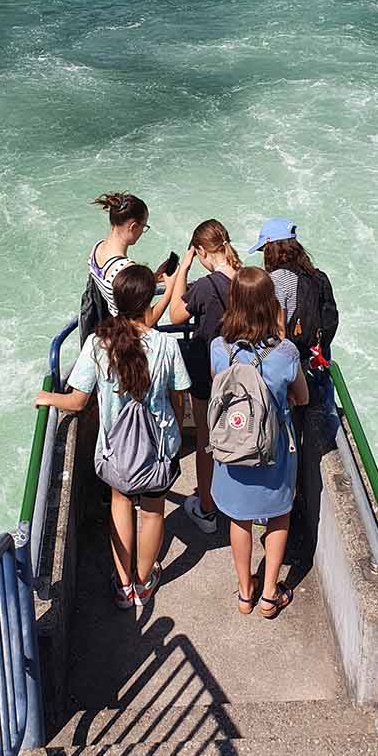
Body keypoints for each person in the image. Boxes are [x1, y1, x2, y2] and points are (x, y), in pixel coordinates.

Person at [36, 263, 192, 610]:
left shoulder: (98, 344)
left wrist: (48, 397)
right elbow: (179, 394)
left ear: (116, 301)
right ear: (147, 300)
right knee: (153, 511)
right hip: (160, 447)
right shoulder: (166, 345)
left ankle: (123, 588)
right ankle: (144, 580)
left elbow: (77, 401)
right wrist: (174, 435)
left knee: (121, 505)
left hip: (115, 451)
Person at [208, 266, 308, 619]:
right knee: (279, 517)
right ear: (271, 304)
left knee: (239, 519)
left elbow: (218, 390)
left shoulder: (219, 348)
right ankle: (269, 596)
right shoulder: (286, 353)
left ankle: (244, 593)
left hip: (233, 448)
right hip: (273, 451)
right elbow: (303, 397)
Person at [167, 220, 242, 533]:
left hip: (207, 371)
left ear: (199, 251)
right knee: (239, 433)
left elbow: (175, 315)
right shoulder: (246, 279)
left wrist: (182, 271)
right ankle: (239, 499)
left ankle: (207, 509)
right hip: (243, 368)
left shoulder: (206, 286)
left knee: (206, 441)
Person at [252, 218, 340, 417]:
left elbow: (277, 330)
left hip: (293, 365)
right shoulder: (316, 276)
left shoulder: (277, 280)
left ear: (270, 247)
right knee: (321, 414)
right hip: (317, 358)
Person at [81, 193, 188, 349]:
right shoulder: (126, 268)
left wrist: (152, 278)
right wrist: (169, 290)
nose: (142, 232)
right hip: (128, 340)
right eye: (143, 227)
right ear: (133, 227)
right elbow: (147, 321)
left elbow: (115, 284)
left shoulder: (97, 248)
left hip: (111, 331)